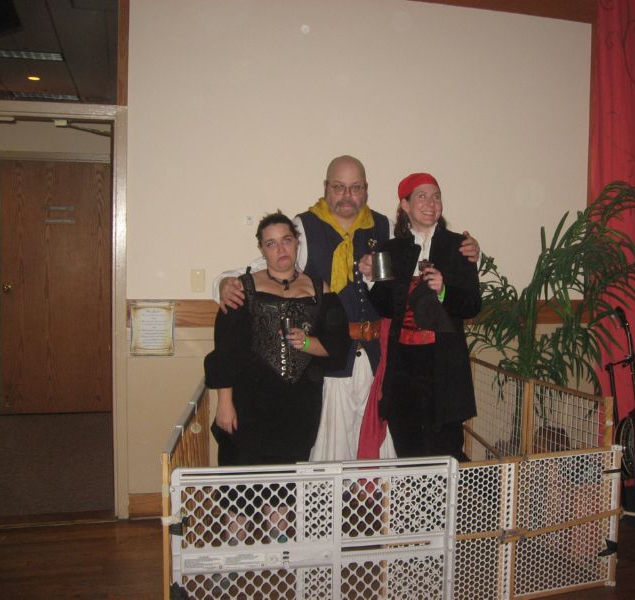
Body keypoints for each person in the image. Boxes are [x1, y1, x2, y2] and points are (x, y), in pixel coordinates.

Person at [213, 156, 481, 461]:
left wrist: (475, 252)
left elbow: (425, 250)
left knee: (383, 445)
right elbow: (274, 261)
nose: (347, 195)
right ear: (326, 187)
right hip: (331, 357)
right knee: (332, 449)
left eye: (355, 188)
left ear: (365, 189)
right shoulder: (304, 226)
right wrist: (224, 282)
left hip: (380, 357)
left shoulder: (384, 226)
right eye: (339, 187)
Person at [204, 212, 349, 466]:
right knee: (242, 477)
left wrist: (307, 343)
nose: (281, 249)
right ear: (262, 250)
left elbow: (338, 346)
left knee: (287, 482)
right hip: (249, 402)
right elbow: (225, 350)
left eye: (286, 240)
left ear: (297, 242)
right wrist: (224, 403)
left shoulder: (320, 289)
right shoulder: (241, 288)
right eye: (271, 243)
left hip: (299, 405)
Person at [359, 173, 481, 461]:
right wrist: (370, 279)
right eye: (422, 196)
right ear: (405, 205)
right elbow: (387, 308)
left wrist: (444, 291)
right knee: (409, 446)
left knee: (447, 449)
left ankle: (451, 493)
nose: (431, 203)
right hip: (403, 365)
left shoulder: (460, 246)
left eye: (436, 196)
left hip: (444, 364)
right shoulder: (391, 249)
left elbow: (472, 305)